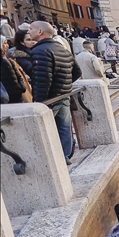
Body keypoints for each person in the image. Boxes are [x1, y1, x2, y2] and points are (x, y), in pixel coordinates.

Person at [29, 21, 81, 164]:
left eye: (31, 29)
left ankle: (54, 161)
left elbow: (43, 79)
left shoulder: (40, 51)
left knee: (46, 130)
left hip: (49, 98)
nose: (29, 31)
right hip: (64, 95)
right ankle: (65, 157)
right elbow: (77, 72)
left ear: (40, 32)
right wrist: (64, 84)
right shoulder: (62, 49)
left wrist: (39, 103)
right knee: (64, 128)